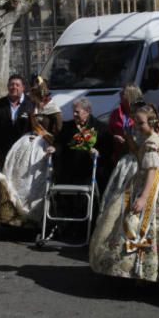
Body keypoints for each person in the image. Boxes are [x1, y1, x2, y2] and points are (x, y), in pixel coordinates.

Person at [89, 103, 159, 282]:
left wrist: (144, 197)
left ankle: (140, 270)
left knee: (140, 226)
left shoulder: (152, 142)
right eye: (135, 122)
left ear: (152, 123)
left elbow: (152, 170)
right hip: (143, 182)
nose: (137, 126)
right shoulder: (154, 137)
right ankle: (138, 270)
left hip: (149, 187)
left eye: (141, 123)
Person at [0, 77, 63, 226]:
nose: (33, 95)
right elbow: (29, 127)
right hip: (28, 144)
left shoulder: (52, 108)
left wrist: (52, 143)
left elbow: (58, 130)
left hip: (44, 146)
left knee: (36, 180)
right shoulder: (32, 108)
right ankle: (16, 215)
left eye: (35, 92)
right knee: (16, 172)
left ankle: (38, 217)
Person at [48, 97, 114, 231]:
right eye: (74, 111)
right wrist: (54, 149)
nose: (74, 114)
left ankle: (84, 228)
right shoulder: (67, 127)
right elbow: (59, 143)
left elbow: (108, 150)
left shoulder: (101, 128)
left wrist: (97, 152)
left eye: (77, 112)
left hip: (88, 173)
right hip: (68, 172)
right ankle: (67, 226)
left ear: (87, 111)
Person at [0, 74, 34, 164]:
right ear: (8, 87)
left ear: (23, 88)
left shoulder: (31, 103)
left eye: (17, 85)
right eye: (11, 84)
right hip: (5, 150)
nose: (14, 87)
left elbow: (35, 128)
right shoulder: (1, 103)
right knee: (5, 176)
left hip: (24, 149)